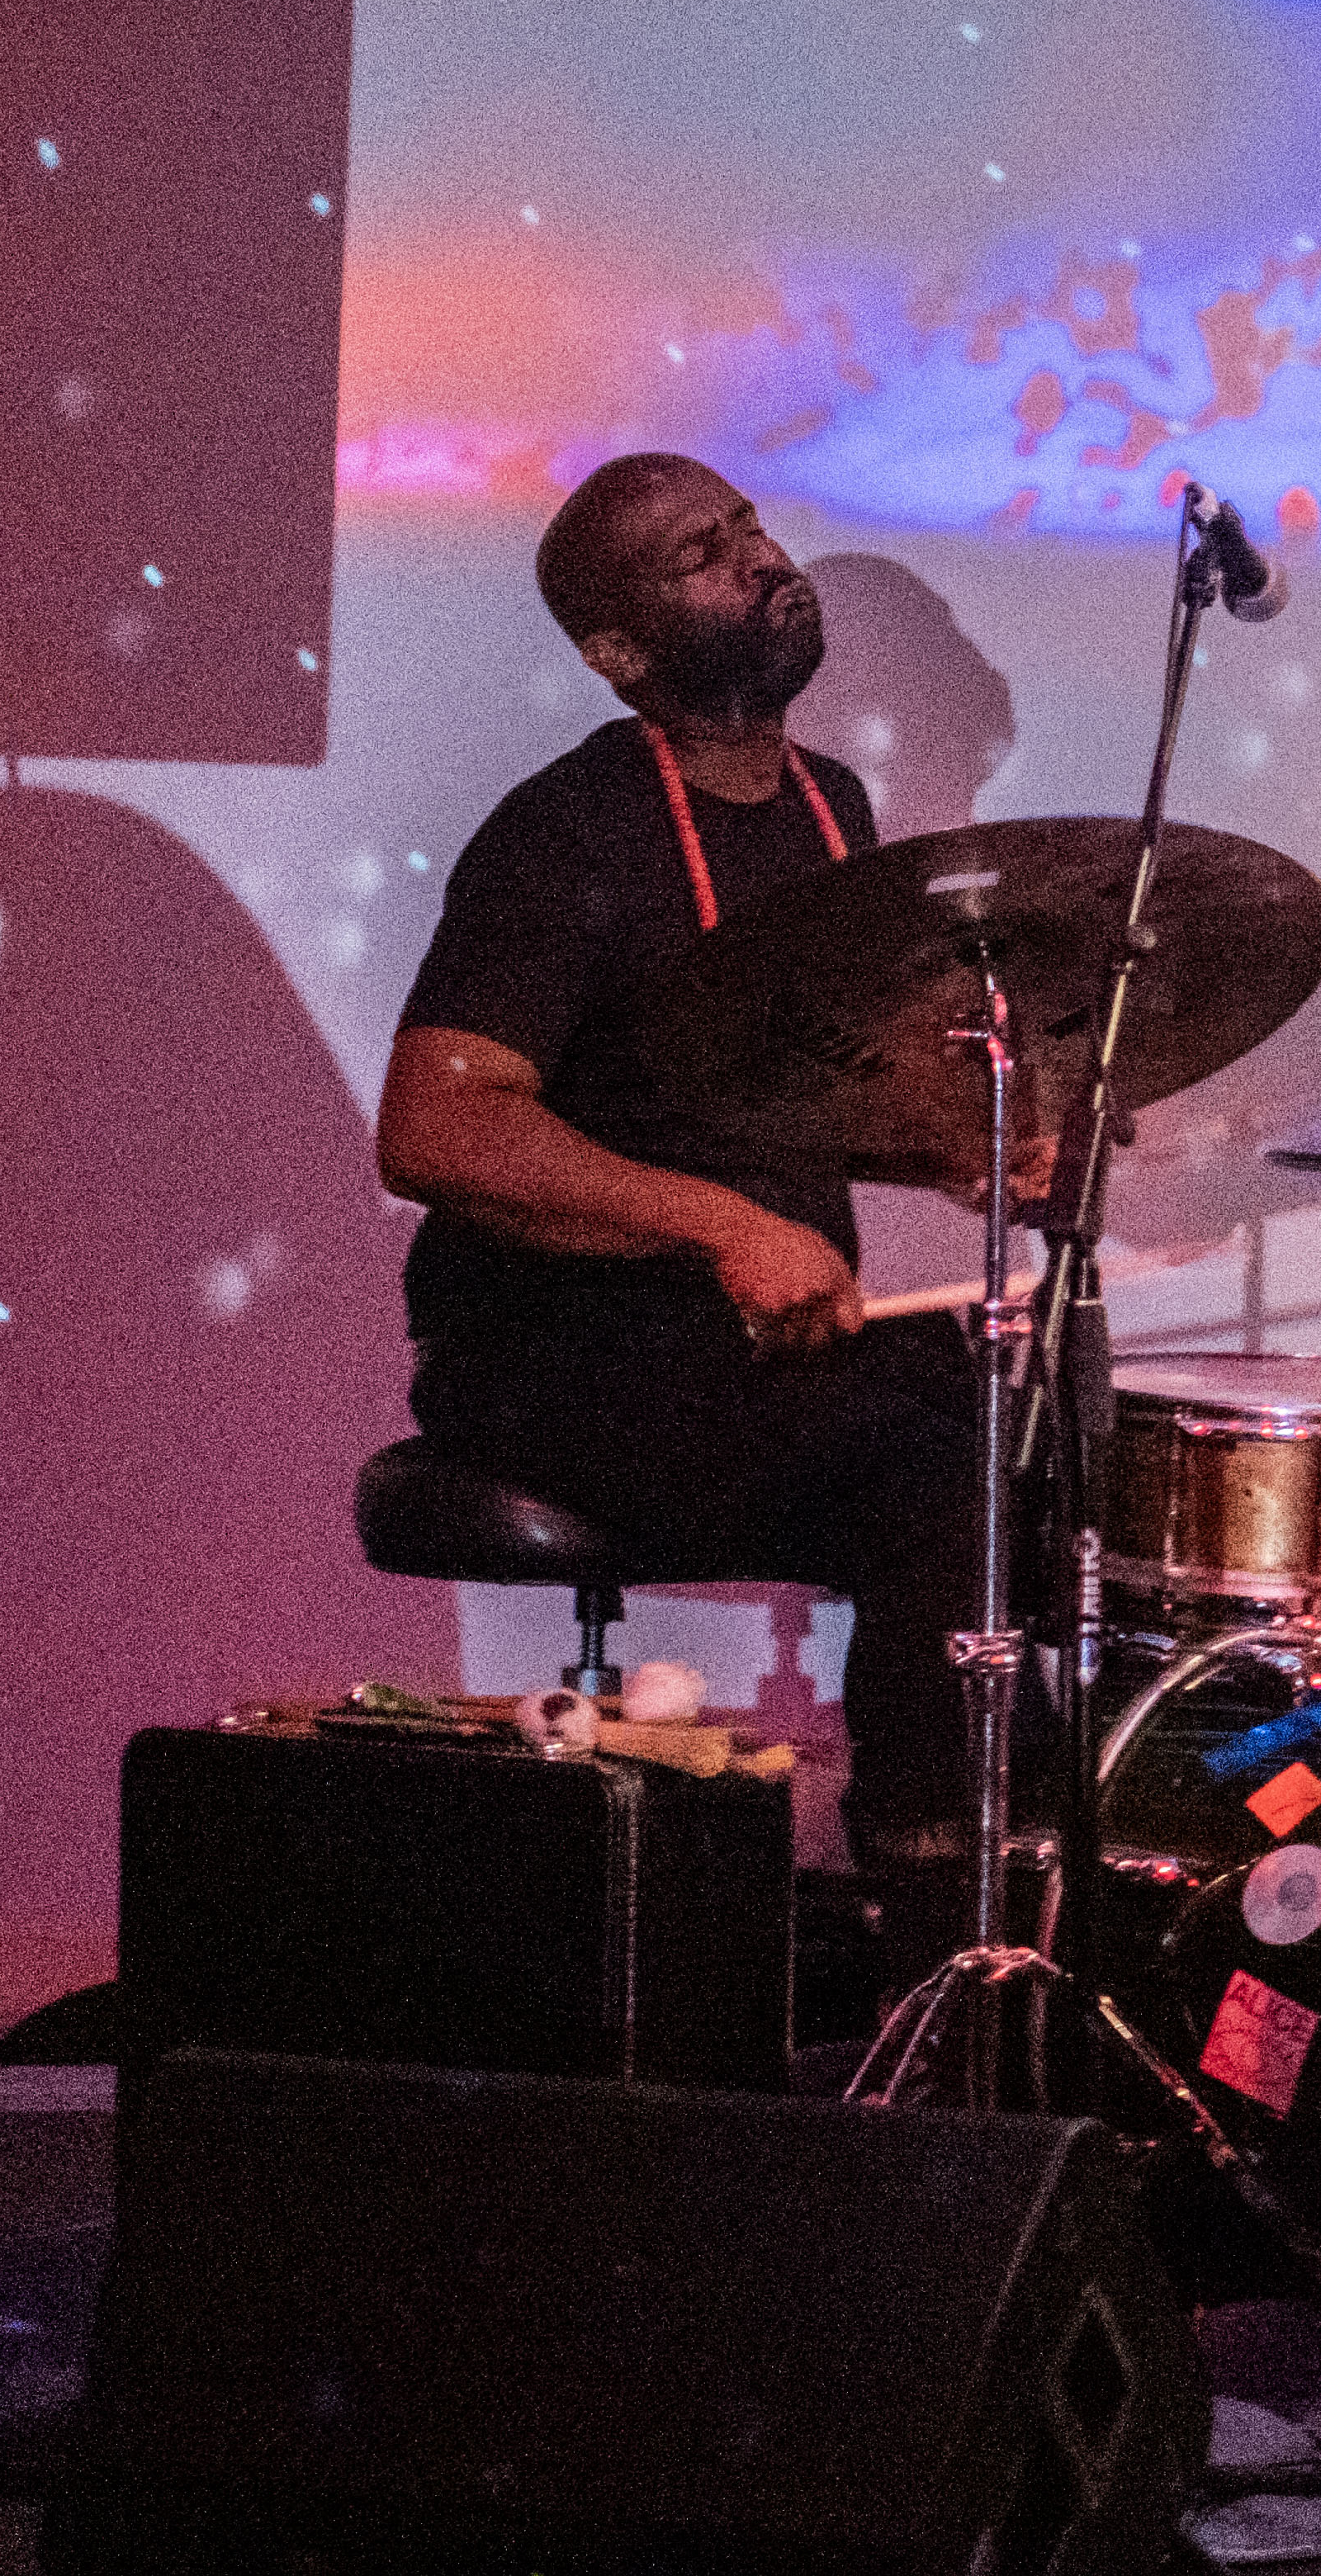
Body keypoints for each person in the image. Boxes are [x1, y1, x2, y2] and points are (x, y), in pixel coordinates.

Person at [375, 452, 1013, 1919]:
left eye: (753, 530)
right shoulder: (569, 835)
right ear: (619, 655)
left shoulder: (831, 807)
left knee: (1042, 1427)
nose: (761, 561)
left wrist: (960, 1152)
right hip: (558, 1358)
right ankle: (933, 1918)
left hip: (757, 1351)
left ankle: (1030, 1876)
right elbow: (436, 1132)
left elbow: (765, 1094)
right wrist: (724, 1225)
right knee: (936, 1474)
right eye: (701, 557)